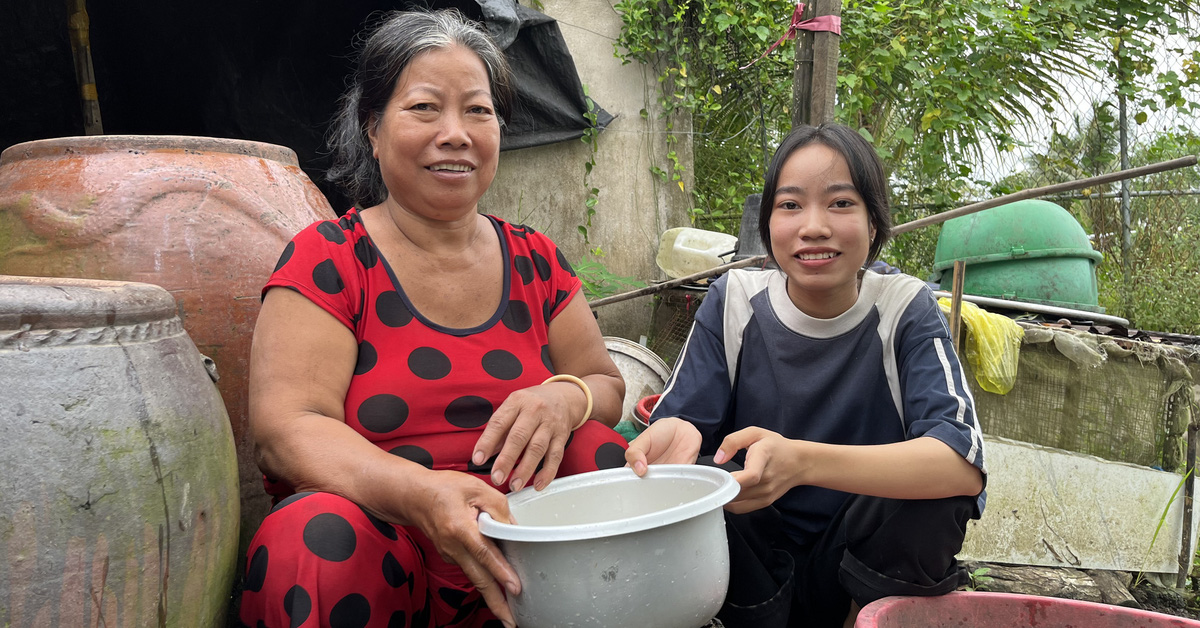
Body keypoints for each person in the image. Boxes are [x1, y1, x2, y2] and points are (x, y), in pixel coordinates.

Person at [238, 10, 629, 628]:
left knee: (599, 452)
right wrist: (422, 495)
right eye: (424, 108)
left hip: (529, 552)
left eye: (478, 111)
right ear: (372, 128)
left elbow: (606, 384)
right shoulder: (332, 258)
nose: (456, 133)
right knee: (312, 534)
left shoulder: (536, 260)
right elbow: (287, 430)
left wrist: (566, 398)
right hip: (383, 554)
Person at [626, 123, 987, 628]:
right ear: (769, 221)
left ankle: (867, 619)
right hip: (751, 565)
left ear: (874, 221)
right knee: (712, 480)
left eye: (840, 203)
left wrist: (803, 463)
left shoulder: (905, 306)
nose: (813, 226)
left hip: (858, 568)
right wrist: (680, 430)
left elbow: (960, 464)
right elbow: (686, 428)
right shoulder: (732, 300)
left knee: (933, 497)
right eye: (790, 205)